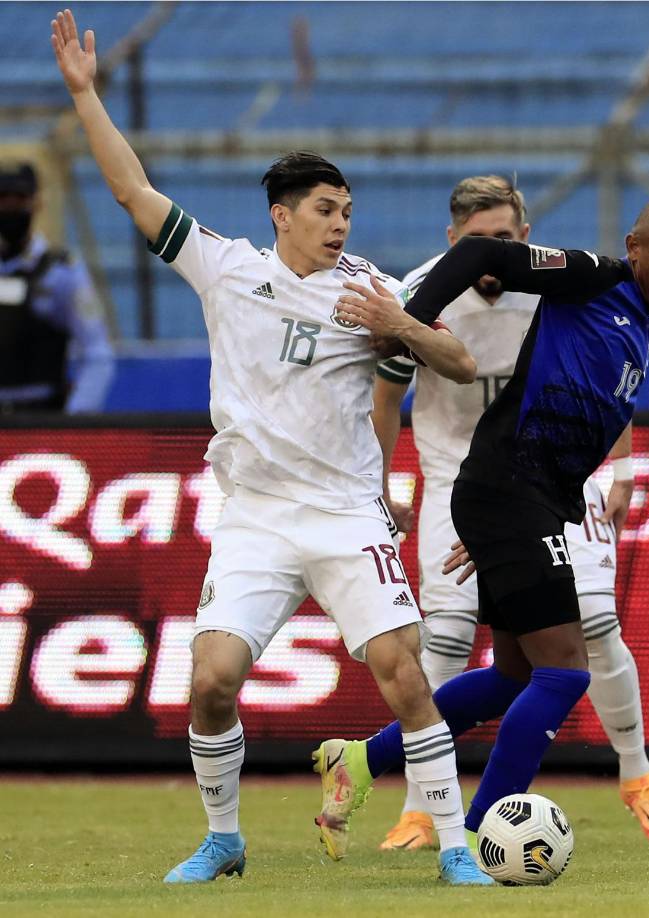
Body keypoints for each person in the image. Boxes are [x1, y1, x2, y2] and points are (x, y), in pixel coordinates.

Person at [51, 8, 494, 888]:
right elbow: (134, 193)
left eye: (348, 210)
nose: (340, 224)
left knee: (402, 672)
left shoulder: (368, 289)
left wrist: (398, 321)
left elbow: (461, 362)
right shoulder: (227, 267)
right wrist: (84, 95)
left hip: (342, 514)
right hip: (255, 516)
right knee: (211, 679)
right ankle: (224, 840)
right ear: (282, 216)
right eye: (326, 210)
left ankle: (452, 846)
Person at [317, 193, 649, 849]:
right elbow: (479, 253)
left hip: (518, 501)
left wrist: (505, 522)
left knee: (515, 678)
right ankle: (477, 836)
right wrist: (414, 319)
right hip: (508, 491)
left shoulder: (638, 319)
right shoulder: (595, 277)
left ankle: (358, 763)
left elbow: (584, 419)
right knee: (567, 672)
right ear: (635, 246)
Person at [0, 161, 114, 413]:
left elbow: (97, 354)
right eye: (2, 198)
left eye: (19, 198)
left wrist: (72, 424)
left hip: (40, 423)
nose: (9, 206)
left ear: (36, 203)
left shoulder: (62, 273)